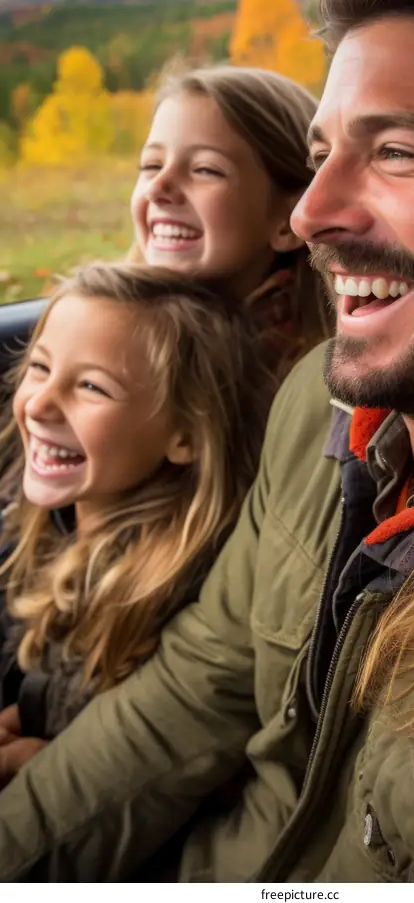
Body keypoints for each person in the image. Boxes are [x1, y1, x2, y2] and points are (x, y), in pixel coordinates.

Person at [3, 0, 414, 883]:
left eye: (401, 151)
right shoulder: (314, 414)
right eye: (321, 154)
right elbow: (197, 691)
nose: (316, 211)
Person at [0, 262, 271, 785]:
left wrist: (34, 763)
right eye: (38, 367)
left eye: (92, 388)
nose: (39, 402)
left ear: (186, 436)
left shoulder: (165, 597)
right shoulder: (54, 530)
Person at [130, 64, 333, 379]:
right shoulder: (111, 330)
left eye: (205, 169)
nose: (157, 188)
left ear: (288, 220)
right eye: (151, 165)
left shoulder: (309, 379)